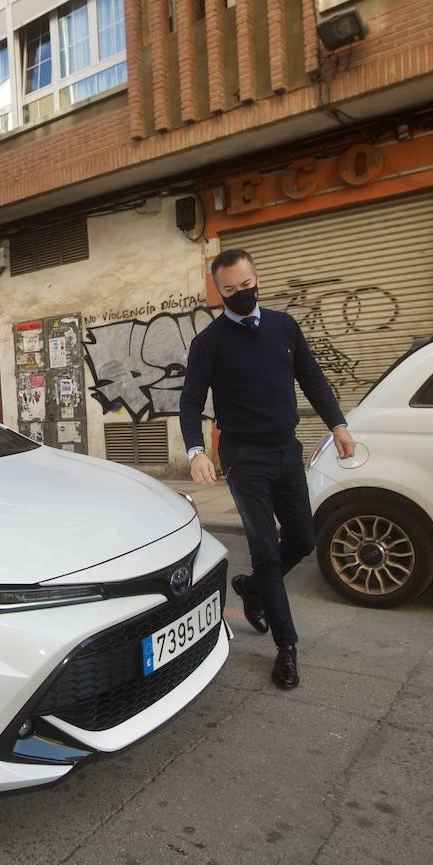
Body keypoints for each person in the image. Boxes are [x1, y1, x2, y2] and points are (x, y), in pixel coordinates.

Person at [179, 249, 355, 690]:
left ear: (257, 278)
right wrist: (197, 450)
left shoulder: (283, 326)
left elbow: (312, 378)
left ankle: (254, 588)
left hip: (285, 451)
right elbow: (190, 401)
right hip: (244, 458)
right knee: (266, 551)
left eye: (246, 285)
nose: (241, 294)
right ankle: (287, 647)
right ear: (218, 293)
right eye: (230, 290)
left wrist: (338, 425)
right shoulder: (209, 343)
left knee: (303, 537)